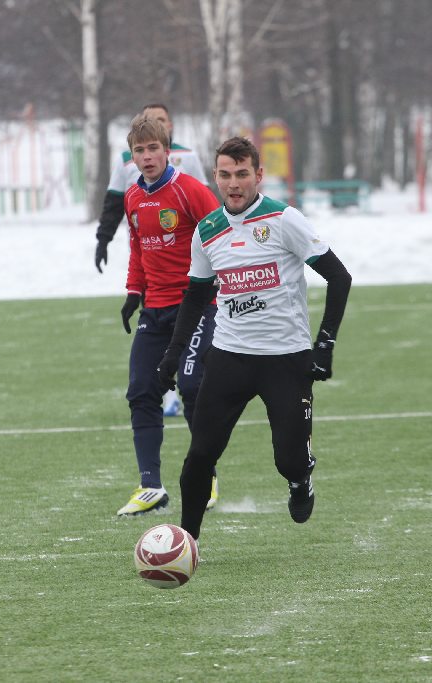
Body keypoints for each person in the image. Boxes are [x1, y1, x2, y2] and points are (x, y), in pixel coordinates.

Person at [157, 136, 352, 541]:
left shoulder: (285, 220)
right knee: (199, 457)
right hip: (230, 358)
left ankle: (301, 479)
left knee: (289, 461)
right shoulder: (207, 231)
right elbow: (195, 296)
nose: (234, 183)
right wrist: (173, 354)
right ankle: (187, 542)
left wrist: (325, 344)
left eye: (242, 174)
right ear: (215, 177)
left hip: (285, 359)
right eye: (225, 175)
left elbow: (339, 277)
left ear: (258, 175)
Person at [115, 113, 221, 516]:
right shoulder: (132, 197)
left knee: (193, 388)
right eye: (139, 151)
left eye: (153, 148)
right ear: (132, 156)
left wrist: (222, 291)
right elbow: (139, 250)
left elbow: (221, 239)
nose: (146, 157)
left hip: (195, 307)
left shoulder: (189, 191)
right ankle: (150, 486)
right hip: (154, 309)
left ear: (167, 150)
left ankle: (205, 475)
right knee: (142, 391)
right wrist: (132, 292)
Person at [96, 104, 207, 418]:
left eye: (161, 122)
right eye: (140, 149)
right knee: (146, 384)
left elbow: (209, 213)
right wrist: (103, 240)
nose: (146, 155)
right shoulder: (127, 171)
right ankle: (167, 395)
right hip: (156, 289)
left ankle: (201, 448)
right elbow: (119, 211)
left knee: (192, 380)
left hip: (190, 291)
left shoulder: (189, 163)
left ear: (168, 130)